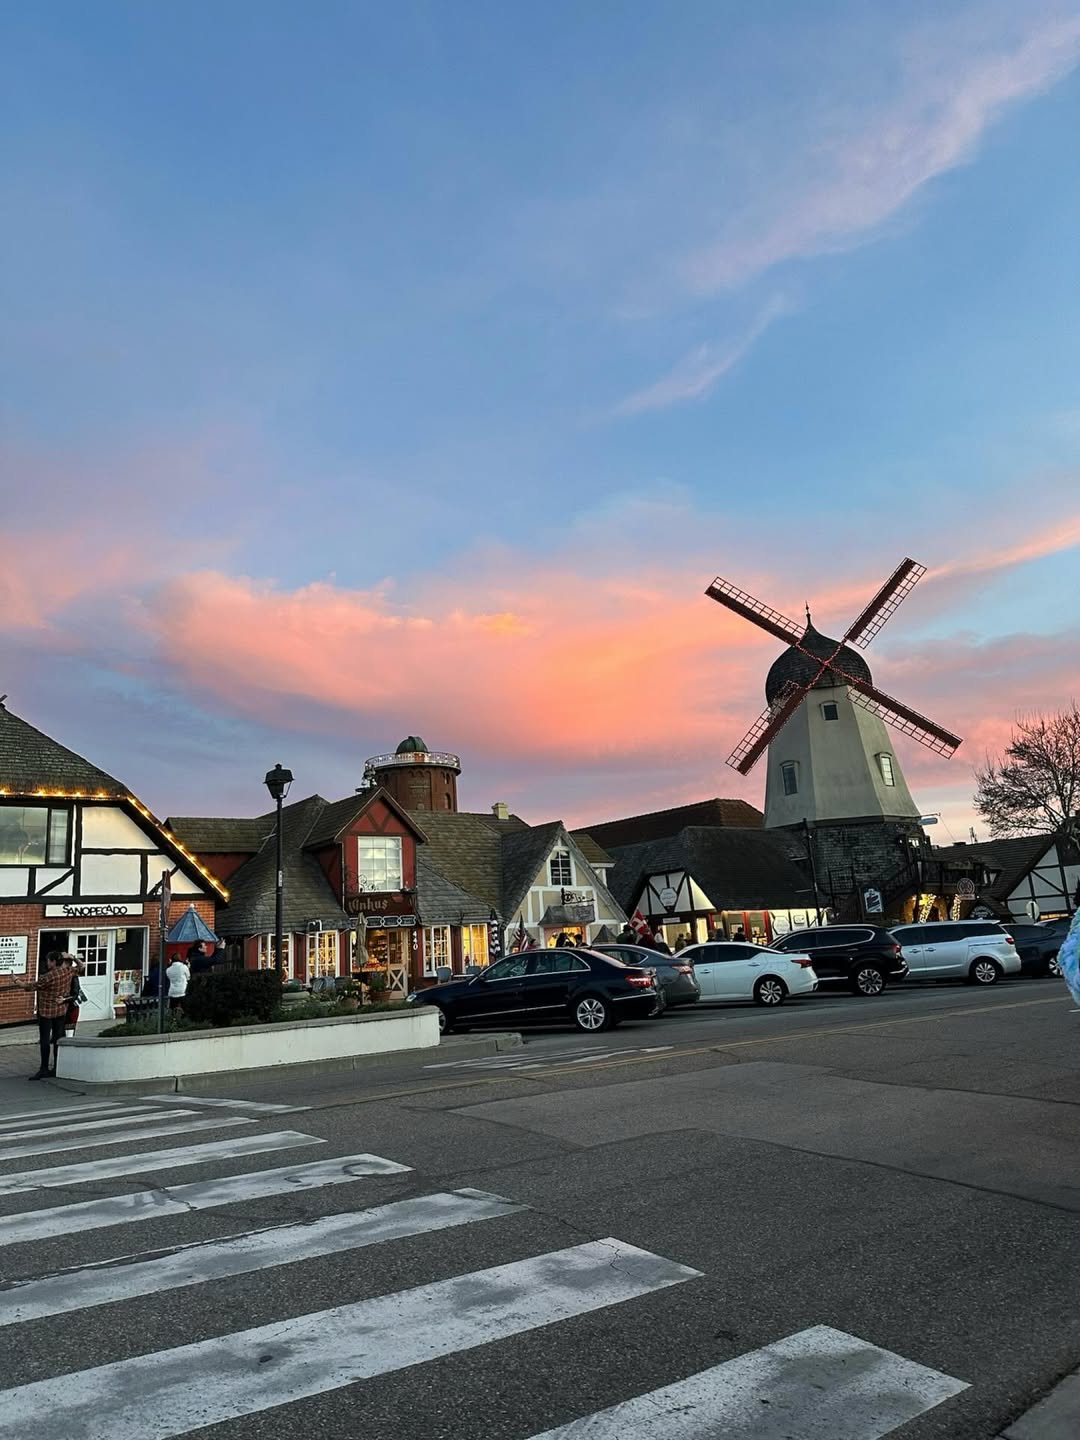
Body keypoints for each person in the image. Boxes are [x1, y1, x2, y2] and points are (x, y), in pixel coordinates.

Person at [9, 950, 84, 1080]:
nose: (47, 963)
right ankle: (56, 1067)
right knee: (57, 1039)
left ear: (54, 962)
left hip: (46, 1012)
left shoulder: (48, 977)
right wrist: (73, 957)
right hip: (60, 1011)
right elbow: (82, 967)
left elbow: (29, 987)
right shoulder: (68, 972)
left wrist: (16, 980)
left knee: (45, 1040)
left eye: (48, 960)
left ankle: (44, 1068)